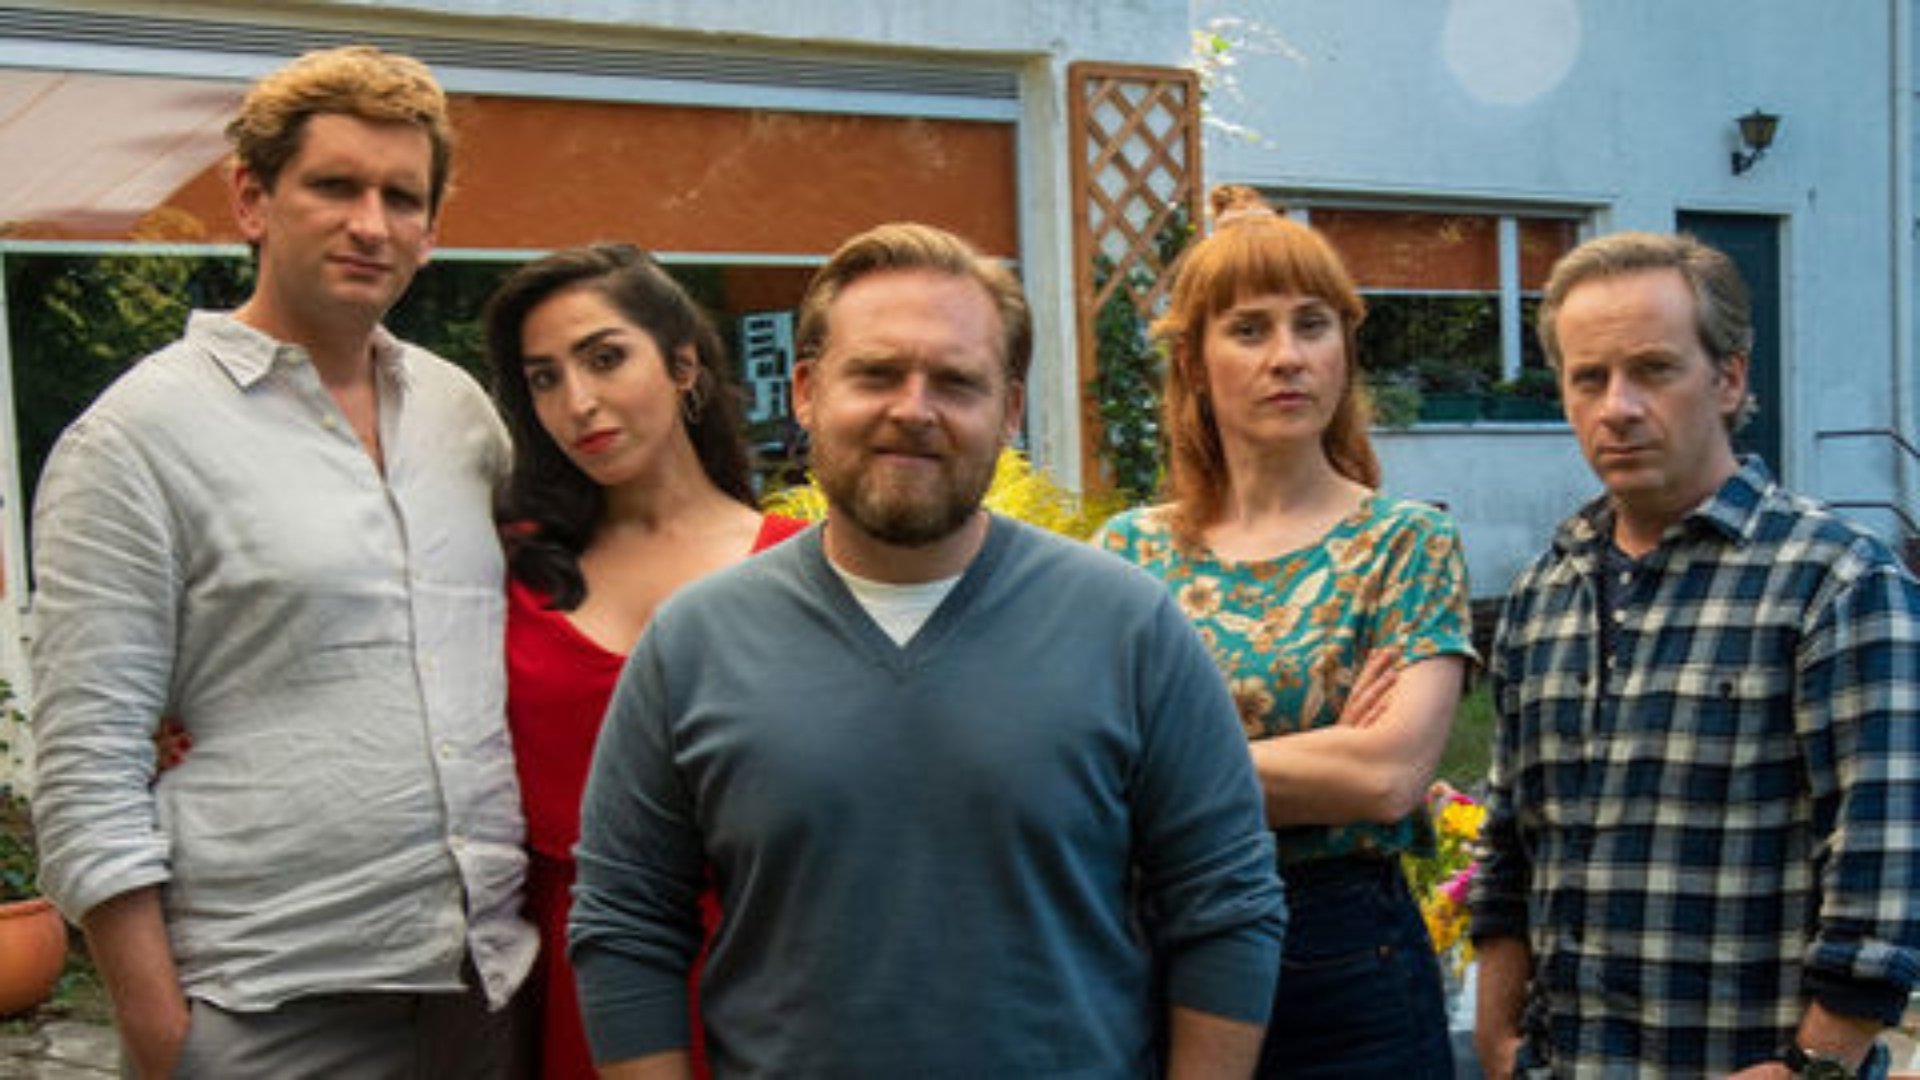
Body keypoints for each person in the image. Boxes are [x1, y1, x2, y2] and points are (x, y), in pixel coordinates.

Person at [568, 222, 1288, 1078]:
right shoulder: (693, 643)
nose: (913, 410)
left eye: (955, 381)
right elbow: (626, 927)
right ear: (806, 391)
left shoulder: (1127, 626)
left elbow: (1228, 905)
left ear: (1009, 412)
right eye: (876, 374)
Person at [28, 46, 535, 1078]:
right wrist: (166, 1041)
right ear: (253, 200)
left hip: (484, 990)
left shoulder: (461, 416)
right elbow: (86, 765)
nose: (371, 224)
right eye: (335, 186)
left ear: (432, 229)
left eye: (402, 197)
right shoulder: (134, 439)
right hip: (264, 1007)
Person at [1469, 231, 1920, 1078]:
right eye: (1589, 377)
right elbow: (1507, 849)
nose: (1618, 406)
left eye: (1654, 370)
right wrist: (1497, 1038)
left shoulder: (1836, 581)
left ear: (1729, 378)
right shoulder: (1544, 591)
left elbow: (1886, 864)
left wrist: (1814, 1065)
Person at [1095, 187, 1474, 1077]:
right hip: (1162, 950)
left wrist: (1162, 767)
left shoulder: (1405, 543)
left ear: (1344, 349)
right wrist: (1322, 754)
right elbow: (1083, 774)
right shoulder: (1127, 553)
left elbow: (1387, 778)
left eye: (1312, 325)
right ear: (1192, 361)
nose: (1287, 357)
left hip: (1348, 968)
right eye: (1249, 330)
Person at [485, 243, 805, 1079]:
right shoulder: (508, 565)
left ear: (683, 364)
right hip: (571, 974)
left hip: (772, 967)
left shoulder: (807, 568)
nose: (577, 402)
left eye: (605, 358)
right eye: (545, 378)